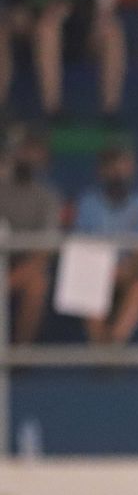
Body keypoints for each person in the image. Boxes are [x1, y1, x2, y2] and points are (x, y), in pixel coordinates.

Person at [1, 0, 125, 122]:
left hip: (77, 38)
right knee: (48, 29)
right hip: (36, 43)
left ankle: (110, 111)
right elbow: (16, 20)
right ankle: (53, 110)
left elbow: (91, 8)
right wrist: (45, 18)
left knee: (112, 31)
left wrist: (76, 14)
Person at [71, 145, 138, 344]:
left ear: (132, 169)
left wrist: (124, 270)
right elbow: (81, 245)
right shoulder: (88, 202)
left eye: (123, 166)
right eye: (112, 167)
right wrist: (103, 270)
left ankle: (113, 345)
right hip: (95, 270)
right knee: (86, 282)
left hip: (131, 271)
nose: (118, 173)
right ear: (101, 171)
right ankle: (100, 346)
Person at [0, 131, 61, 344]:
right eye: (24, 150)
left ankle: (19, 354)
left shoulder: (48, 196)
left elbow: (44, 253)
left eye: (34, 152)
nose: (27, 157)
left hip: (25, 266)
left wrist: (7, 281)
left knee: (37, 283)